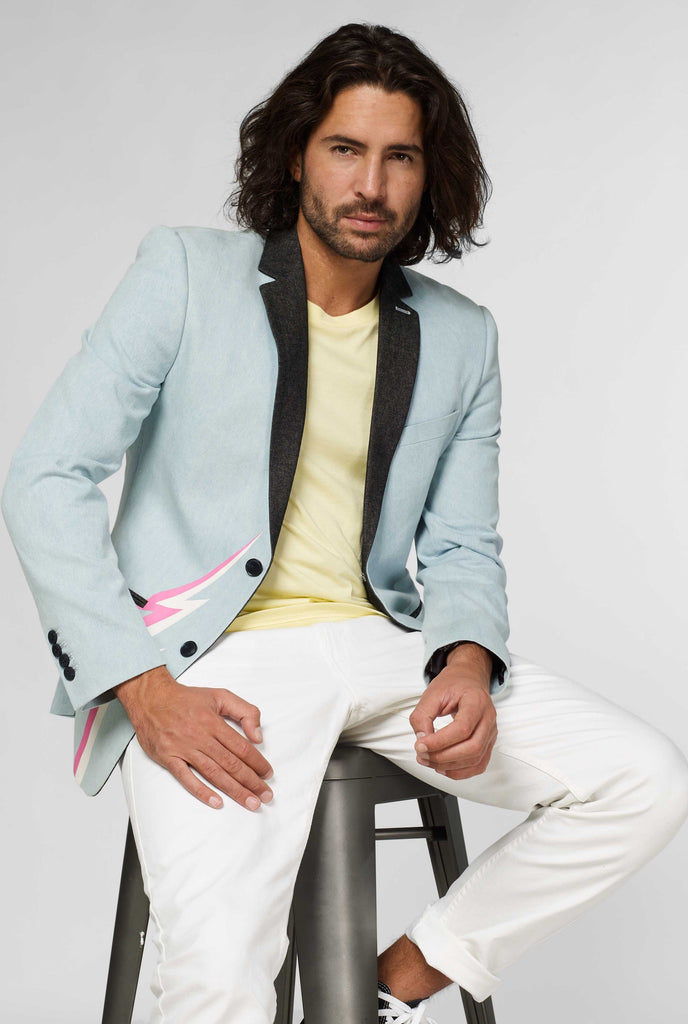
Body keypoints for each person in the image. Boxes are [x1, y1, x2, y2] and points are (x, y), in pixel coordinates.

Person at [3, 21, 688, 1024]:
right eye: (345, 149)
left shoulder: (459, 336)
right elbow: (44, 475)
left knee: (642, 780)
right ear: (296, 156)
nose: (370, 184)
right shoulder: (187, 274)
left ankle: (394, 983)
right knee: (217, 980)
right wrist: (140, 685)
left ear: (427, 176)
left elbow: (460, 543)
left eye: (398, 156)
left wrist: (465, 658)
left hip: (382, 649)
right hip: (215, 660)